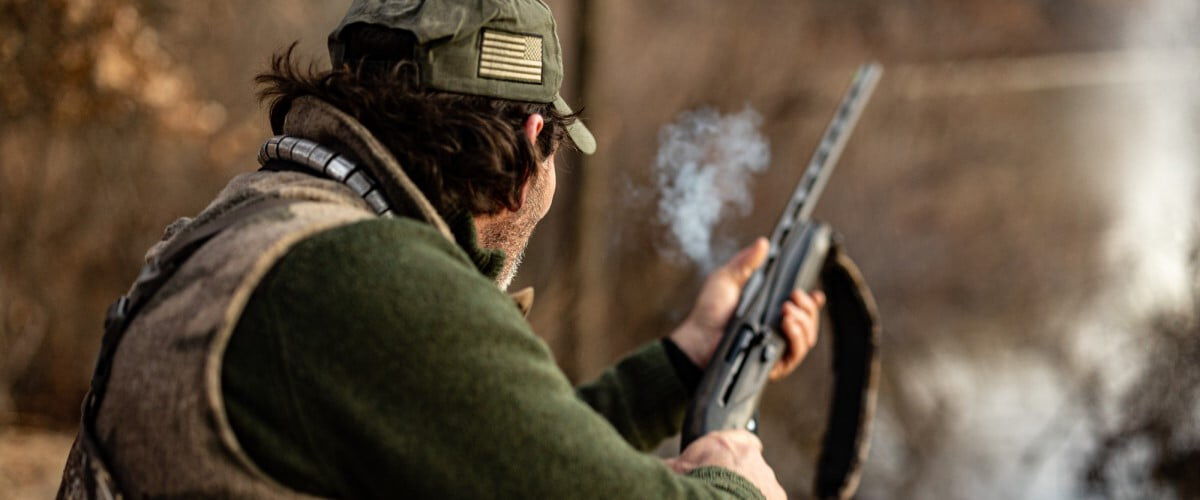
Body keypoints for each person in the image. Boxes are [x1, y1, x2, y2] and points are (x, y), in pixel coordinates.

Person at [58, 1, 825, 498]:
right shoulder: (371, 278)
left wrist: (682, 361)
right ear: (533, 142)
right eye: (555, 146)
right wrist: (733, 482)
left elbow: (492, 452)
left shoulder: (268, 224)